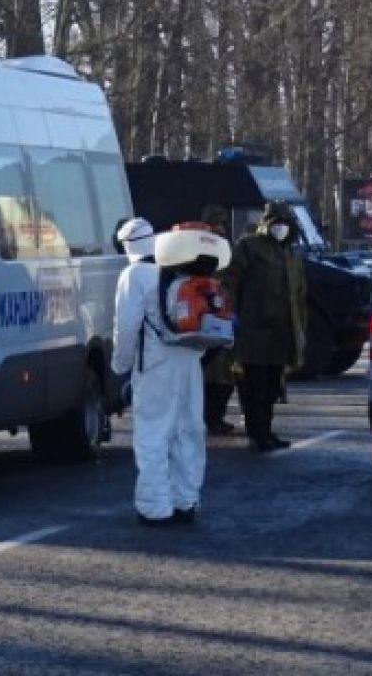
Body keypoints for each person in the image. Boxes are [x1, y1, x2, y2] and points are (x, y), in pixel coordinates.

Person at [111, 217, 204, 526]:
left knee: (153, 432)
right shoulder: (177, 270)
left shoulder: (134, 274)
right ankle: (185, 501)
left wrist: (120, 365)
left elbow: (126, 327)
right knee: (187, 431)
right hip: (189, 358)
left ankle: (154, 507)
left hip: (155, 363)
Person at [226, 200, 308, 452]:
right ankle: (257, 433)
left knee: (273, 387)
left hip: (282, 333)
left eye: (285, 223)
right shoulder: (249, 247)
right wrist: (230, 316)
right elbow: (231, 282)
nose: (281, 228)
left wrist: (300, 331)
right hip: (253, 331)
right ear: (267, 223)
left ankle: (266, 431)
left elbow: (299, 295)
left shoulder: (291, 255)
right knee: (254, 386)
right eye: (276, 223)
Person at [198, 205, 241, 436]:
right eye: (216, 224)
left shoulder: (228, 250)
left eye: (223, 224)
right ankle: (208, 418)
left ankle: (216, 417)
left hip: (227, 313)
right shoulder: (198, 250)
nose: (220, 228)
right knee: (210, 374)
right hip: (207, 316)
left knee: (226, 374)